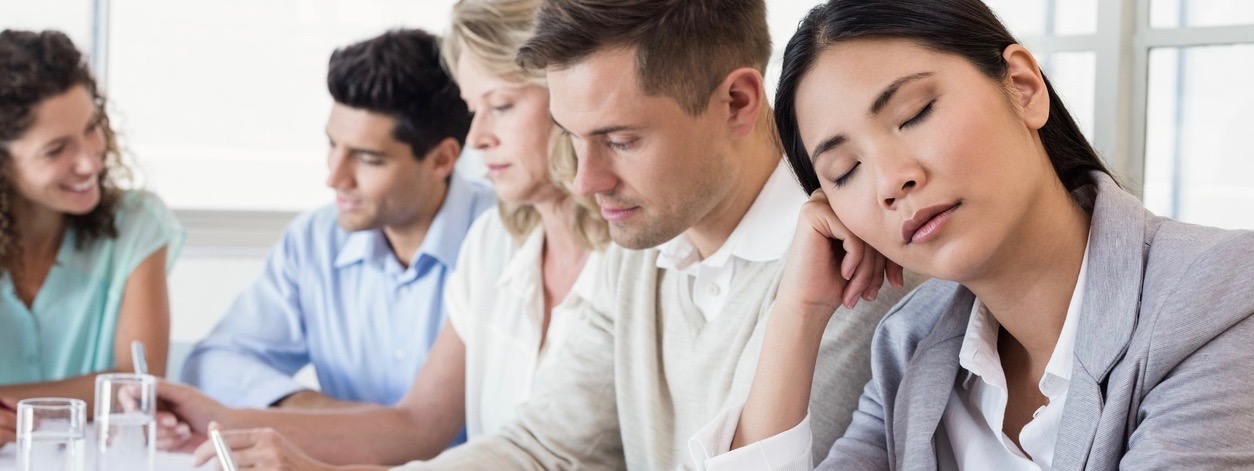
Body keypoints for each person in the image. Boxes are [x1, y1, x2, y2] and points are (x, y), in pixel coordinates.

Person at [693, 0, 1254, 469]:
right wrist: (798, 312)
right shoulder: (909, 345)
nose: (891, 181)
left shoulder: (1218, 299)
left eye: (915, 113)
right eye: (843, 172)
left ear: (1024, 87)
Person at [366, 1, 919, 469]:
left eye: (621, 140)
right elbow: (543, 448)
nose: (586, 180)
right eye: (572, 136)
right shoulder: (644, 235)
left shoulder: (849, 262)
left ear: (738, 103)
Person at [152, 3, 611, 466]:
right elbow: (419, 426)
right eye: (476, 111)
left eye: (501, 107)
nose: (478, 138)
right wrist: (232, 420)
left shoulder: (624, 259)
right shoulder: (492, 243)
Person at [180, 29, 494, 418]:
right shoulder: (314, 241)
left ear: (442, 160)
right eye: (333, 145)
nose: (335, 178)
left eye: (367, 158)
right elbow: (213, 363)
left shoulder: (505, 239)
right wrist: (319, 411)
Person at [0, 29, 184, 445]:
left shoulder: (136, 224)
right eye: (56, 149)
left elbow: (137, 386)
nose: (89, 162)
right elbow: (113, 392)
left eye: (91, 128)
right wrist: (96, 391)